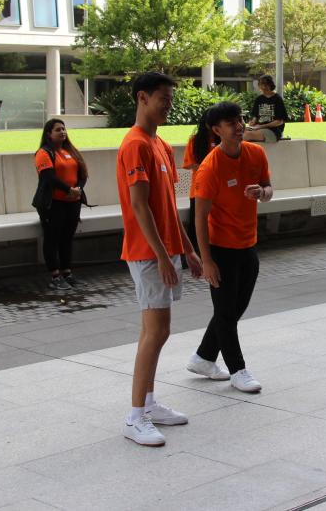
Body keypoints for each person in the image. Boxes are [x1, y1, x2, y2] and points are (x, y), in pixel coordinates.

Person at [117, 72, 203, 447]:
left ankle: (148, 405)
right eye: (163, 98)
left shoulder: (162, 146)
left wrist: (186, 249)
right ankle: (135, 416)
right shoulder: (134, 145)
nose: (169, 104)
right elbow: (138, 206)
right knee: (156, 332)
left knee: (157, 330)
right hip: (148, 252)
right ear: (142, 98)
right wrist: (161, 256)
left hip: (165, 250)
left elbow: (168, 205)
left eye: (171, 98)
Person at [188, 101, 273, 393]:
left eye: (239, 119)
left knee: (235, 308)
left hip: (248, 244)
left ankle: (203, 357)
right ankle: (238, 370)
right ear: (216, 130)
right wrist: (206, 260)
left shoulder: (256, 153)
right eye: (230, 122)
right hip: (220, 248)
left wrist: (262, 192)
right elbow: (198, 218)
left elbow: (269, 188)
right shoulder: (210, 168)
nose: (238, 126)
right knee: (225, 313)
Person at [34, 119, 89, 291]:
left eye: (64, 129)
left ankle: (67, 273)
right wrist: (68, 189)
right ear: (49, 133)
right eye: (58, 129)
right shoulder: (44, 153)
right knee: (52, 239)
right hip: (53, 204)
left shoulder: (70, 152)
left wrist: (78, 188)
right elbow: (48, 177)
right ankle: (55, 276)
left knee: (67, 238)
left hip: (73, 203)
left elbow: (83, 173)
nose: (62, 132)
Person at [181, 111, 219, 256]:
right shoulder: (195, 140)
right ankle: (193, 253)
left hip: (219, 189)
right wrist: (207, 168)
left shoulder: (222, 138)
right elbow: (189, 164)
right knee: (196, 222)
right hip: (199, 189)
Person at [244, 74, 288, 143]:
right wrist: (252, 122)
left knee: (246, 135)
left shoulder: (277, 99)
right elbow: (255, 116)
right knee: (239, 132)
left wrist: (261, 126)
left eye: (266, 84)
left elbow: (279, 121)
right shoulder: (259, 99)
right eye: (261, 84)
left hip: (273, 131)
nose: (264, 87)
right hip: (257, 129)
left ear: (271, 85)